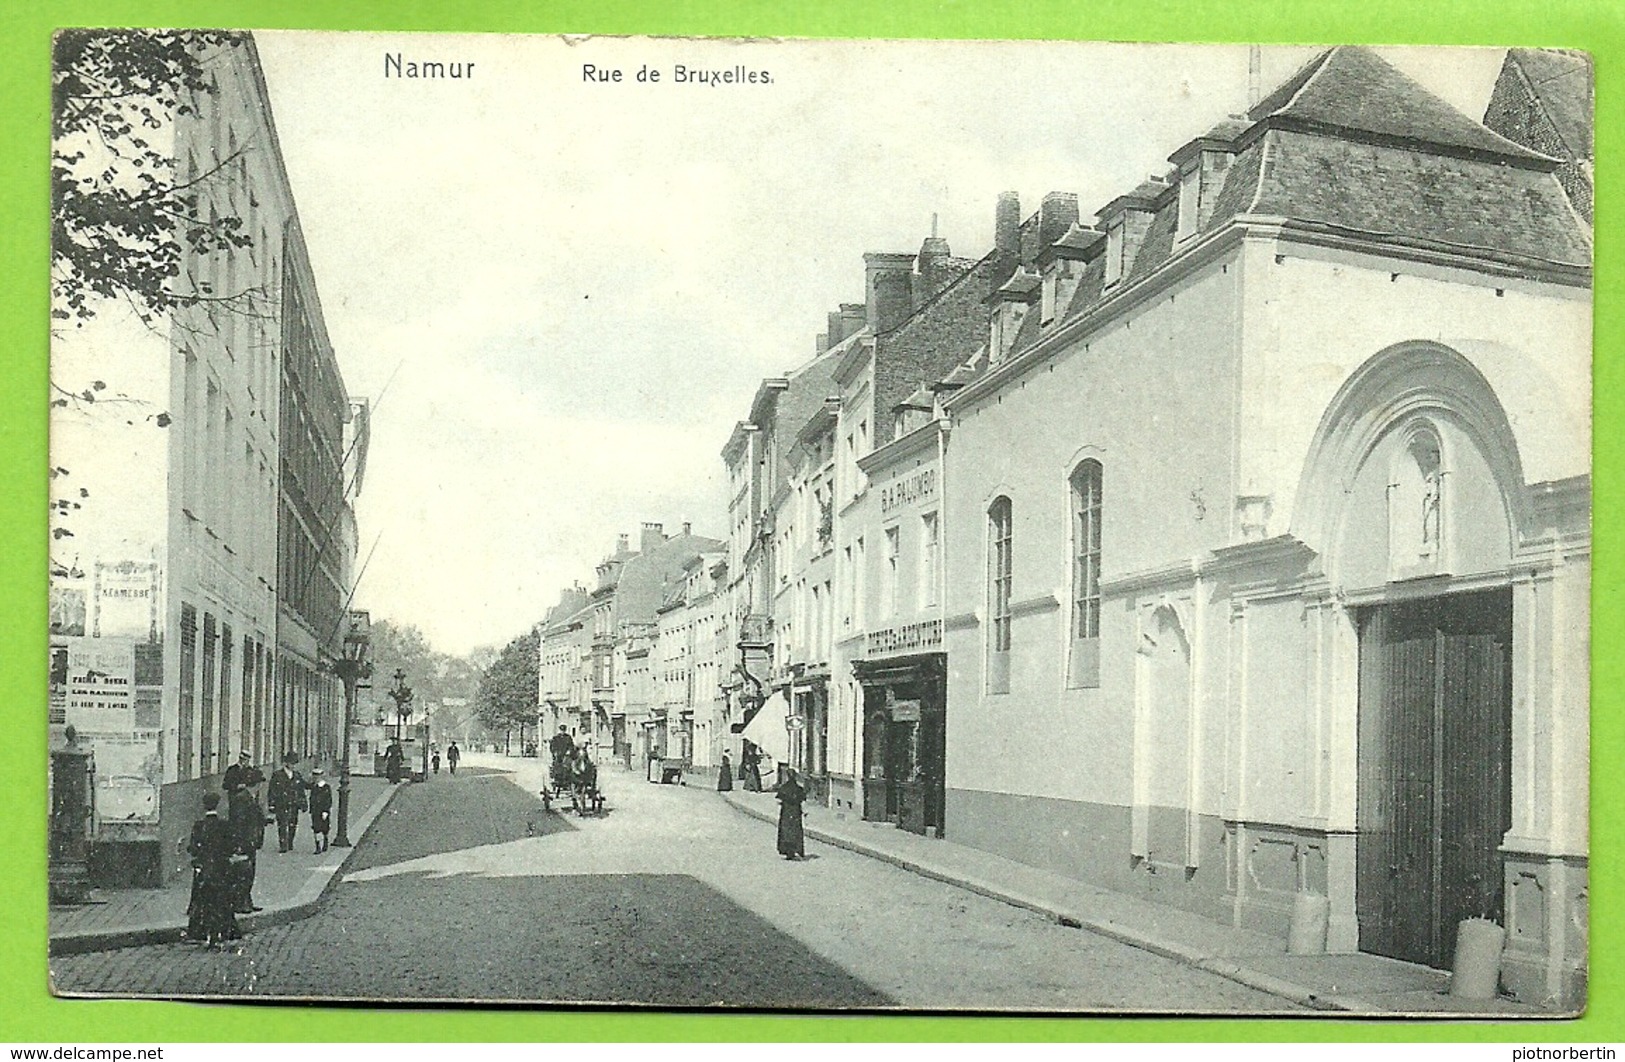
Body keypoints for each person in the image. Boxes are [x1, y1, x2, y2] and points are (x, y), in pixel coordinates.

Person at [186, 791, 240, 946]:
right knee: (222, 900)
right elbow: (232, 846)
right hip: (221, 869)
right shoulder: (224, 825)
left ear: (204, 806)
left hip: (204, 870)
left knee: (203, 901)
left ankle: (202, 933)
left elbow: (194, 849)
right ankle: (224, 932)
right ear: (218, 805)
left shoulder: (199, 826)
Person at [225, 779, 264, 913]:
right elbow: (238, 823)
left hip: (250, 842)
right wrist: (238, 844)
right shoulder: (242, 798)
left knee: (249, 873)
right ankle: (240, 903)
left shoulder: (249, 797)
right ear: (256, 784)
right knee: (243, 874)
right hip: (244, 842)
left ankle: (247, 901)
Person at [267, 752, 307, 854]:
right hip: (281, 803)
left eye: (294, 763)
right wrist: (271, 804)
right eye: (291, 763)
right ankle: (283, 845)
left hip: (294, 804)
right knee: (282, 824)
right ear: (286, 763)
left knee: (293, 824)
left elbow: (302, 789)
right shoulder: (277, 775)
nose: (293, 766)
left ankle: (290, 842)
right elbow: (272, 790)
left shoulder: (297, 775)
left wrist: (303, 803)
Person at [775, 768, 807, 860]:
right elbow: (803, 800)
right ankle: (796, 849)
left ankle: (788, 851)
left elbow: (778, 800)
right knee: (795, 830)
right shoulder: (799, 788)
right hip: (796, 812)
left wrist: (783, 802)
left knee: (786, 831)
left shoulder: (783, 788)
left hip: (786, 812)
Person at [308, 768, 333, 853]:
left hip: (323, 811)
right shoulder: (314, 787)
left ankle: (325, 841)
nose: (316, 778)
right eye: (314, 777)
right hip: (315, 811)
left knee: (324, 828)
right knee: (316, 828)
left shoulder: (326, 787)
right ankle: (318, 846)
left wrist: (326, 811)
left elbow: (328, 800)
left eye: (318, 777)